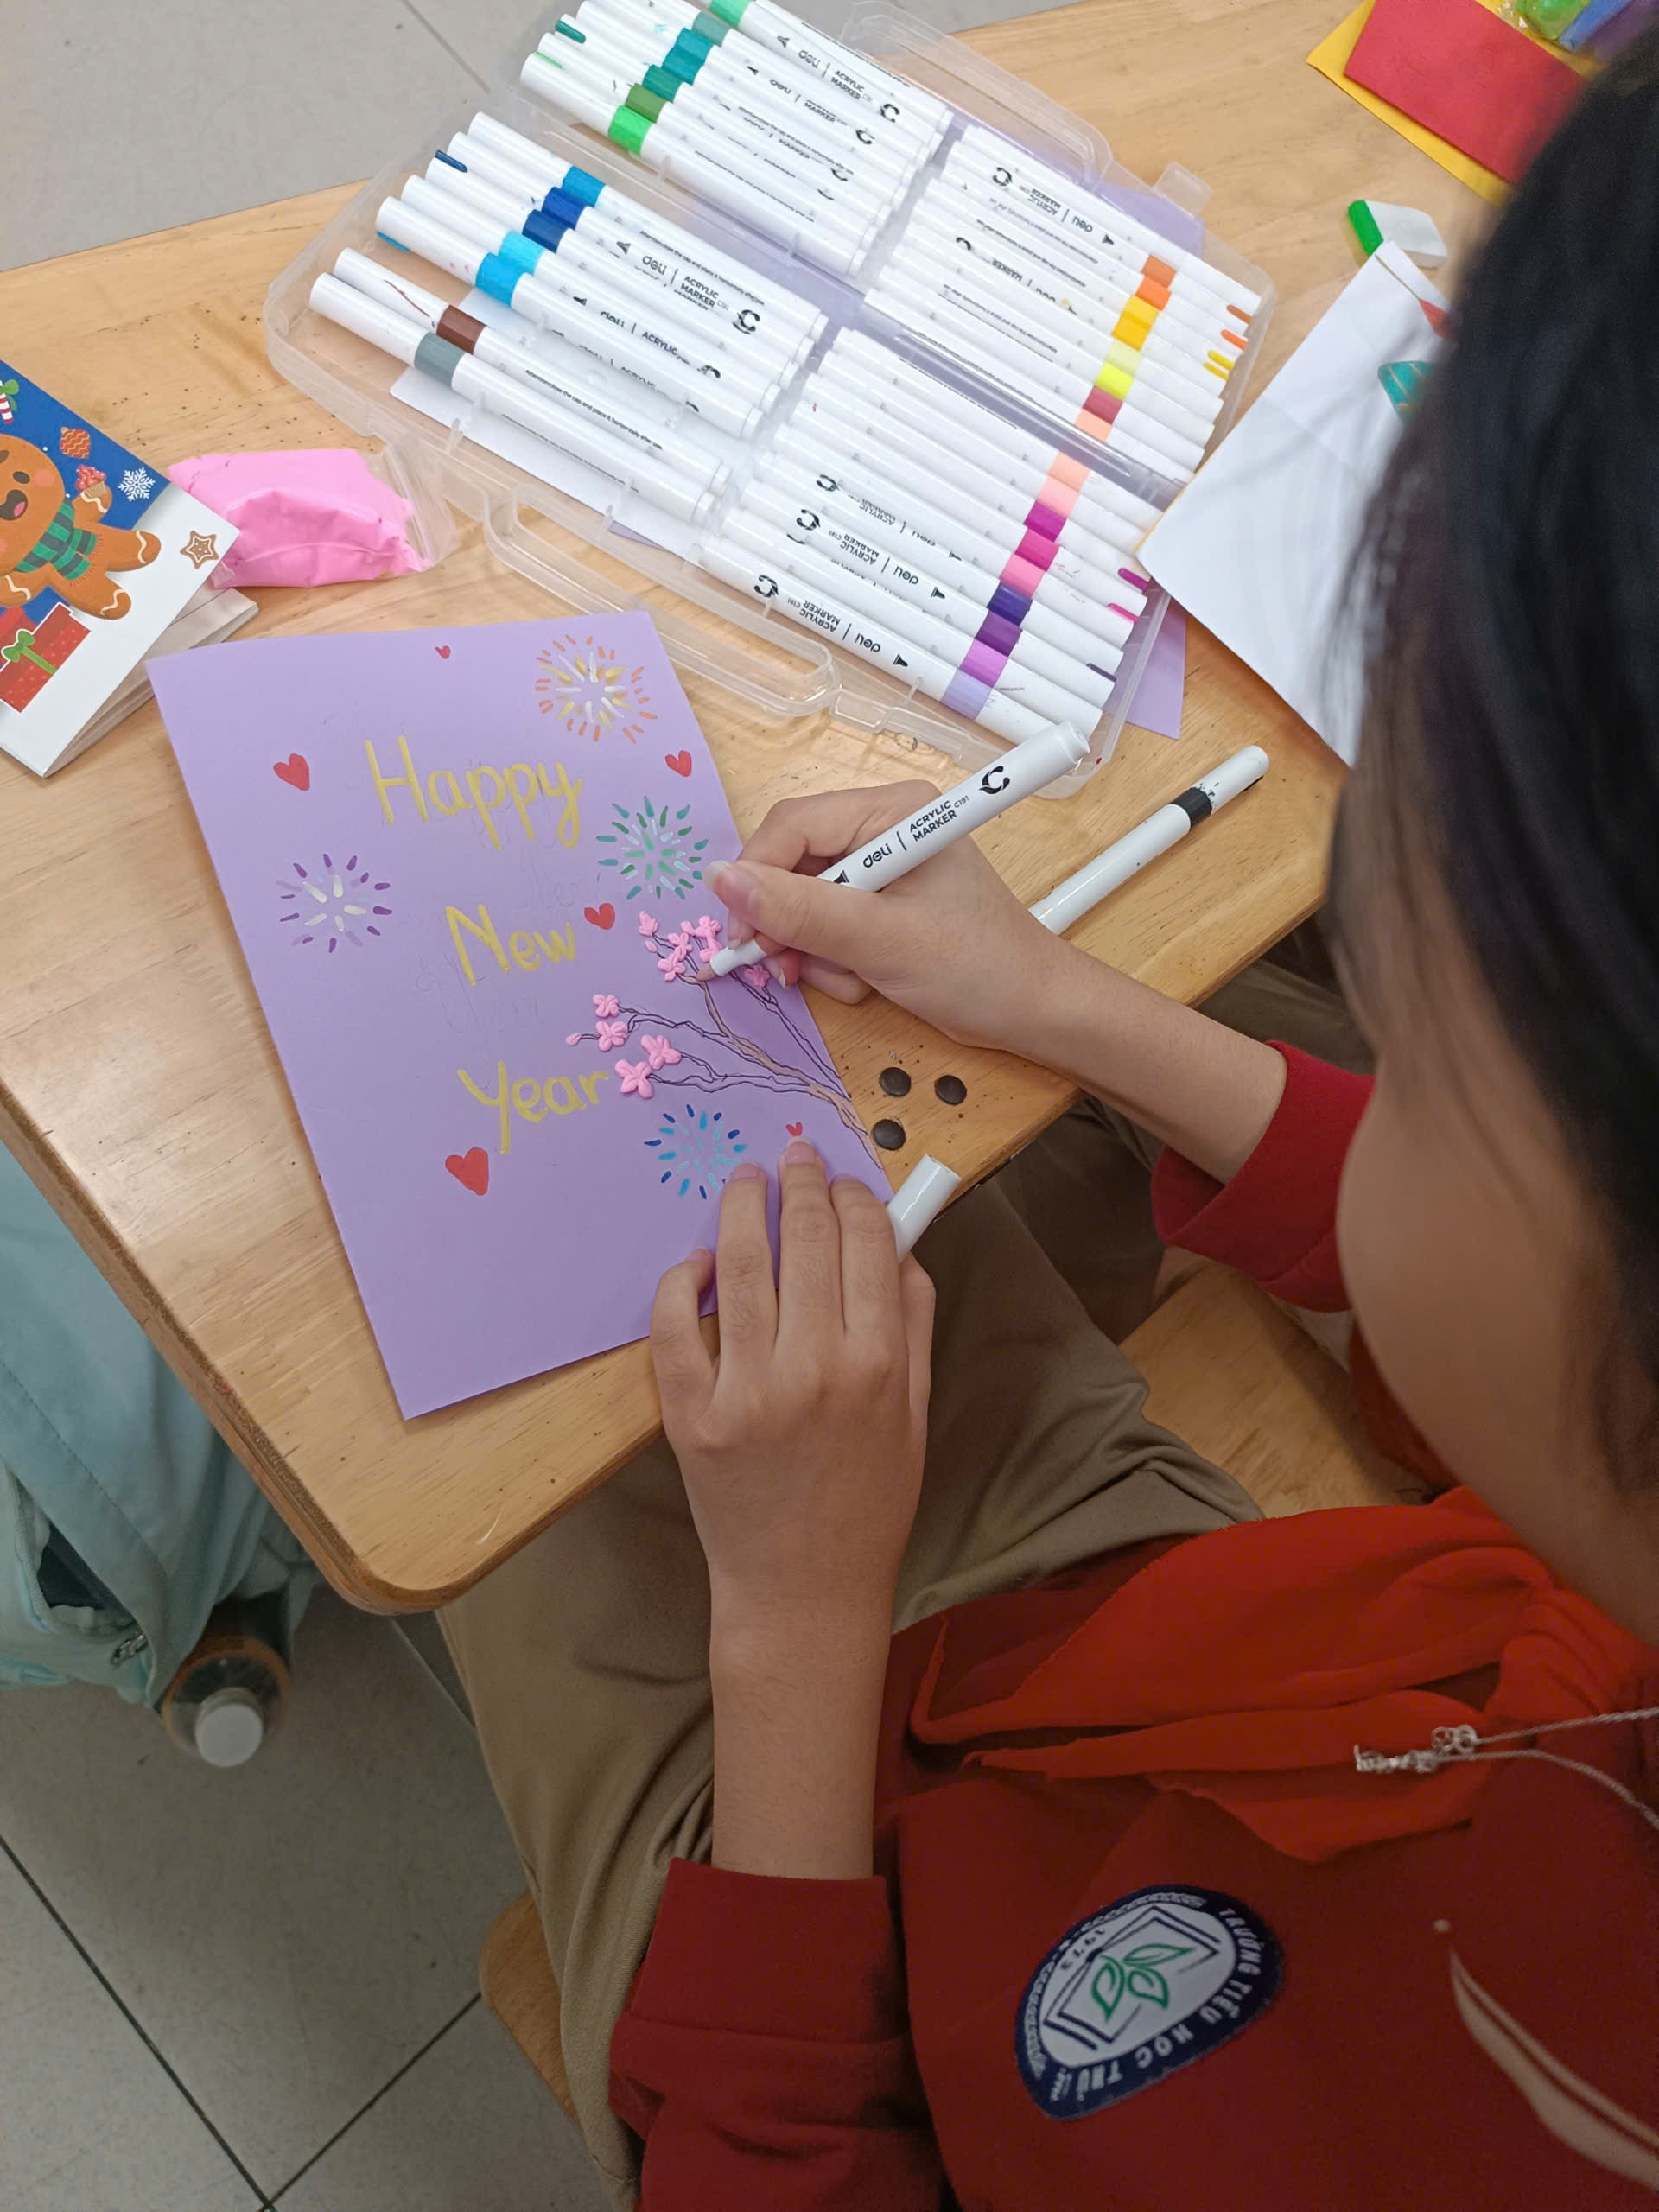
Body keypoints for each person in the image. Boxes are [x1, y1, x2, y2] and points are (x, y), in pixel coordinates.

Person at [442, 35, 1659, 2209]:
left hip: (820, 1916)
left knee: (448, 1368)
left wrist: (793, 1616)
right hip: (1189, 1644)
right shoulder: (1591, 1478)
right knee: (684, 1168)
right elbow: (1485, 1316)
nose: (1368, 999)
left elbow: (781, 2167)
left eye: (1431, 1064)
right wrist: (1055, 1000)